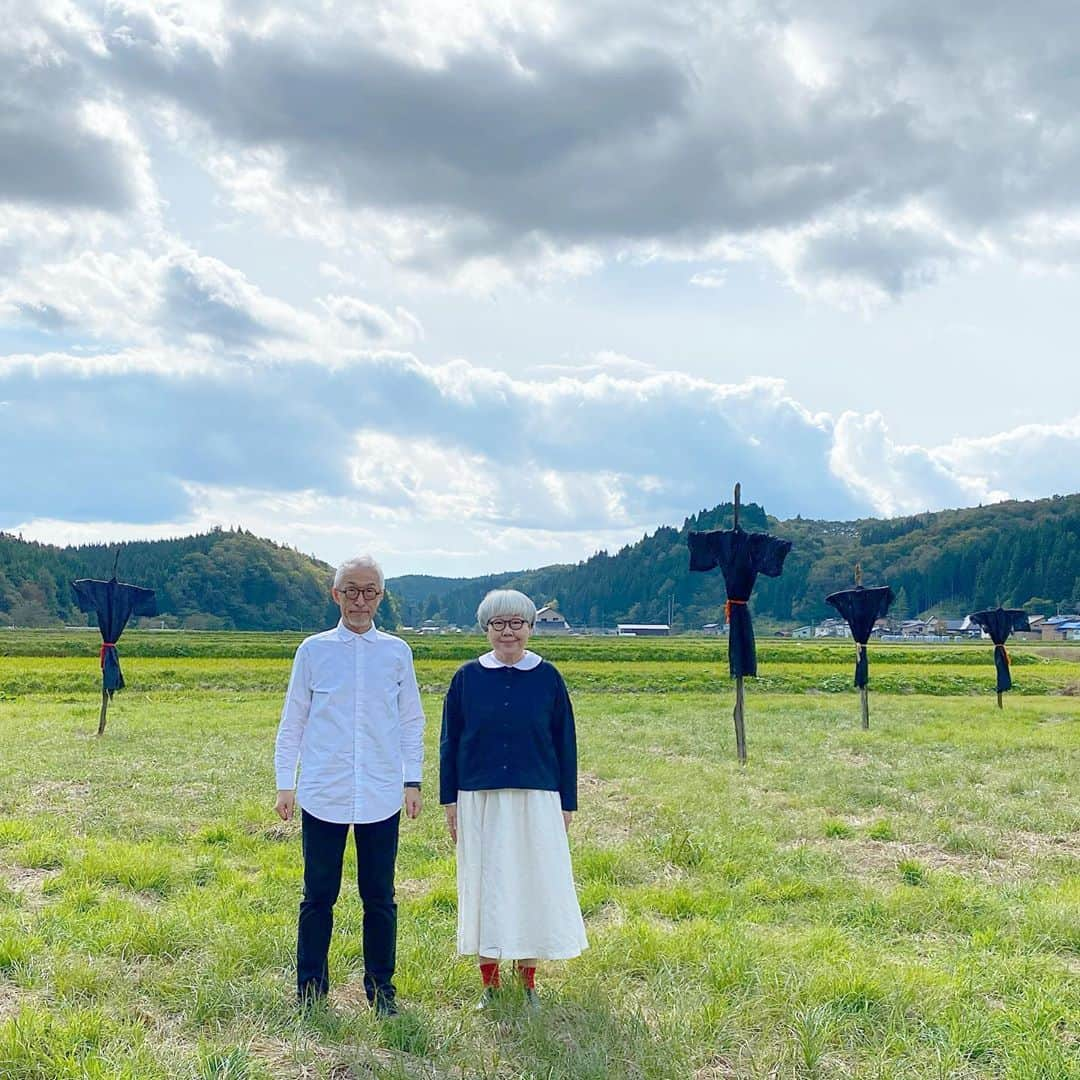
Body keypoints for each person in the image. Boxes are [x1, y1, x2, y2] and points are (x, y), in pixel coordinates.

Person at [274, 555, 424, 1017]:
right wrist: (286, 784)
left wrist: (412, 779)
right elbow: (293, 718)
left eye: (370, 591)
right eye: (351, 591)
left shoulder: (397, 652)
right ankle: (310, 990)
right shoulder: (313, 650)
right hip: (324, 792)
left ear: (381, 596)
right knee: (318, 896)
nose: (360, 600)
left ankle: (382, 991)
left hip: (380, 793)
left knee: (379, 897)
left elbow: (411, 720)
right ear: (335, 594)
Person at [440, 589, 587, 1010]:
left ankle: (527, 984)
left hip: (537, 795)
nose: (508, 632)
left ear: (531, 627)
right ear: (485, 629)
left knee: (530, 884)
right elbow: (449, 741)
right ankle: (489, 984)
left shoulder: (548, 677)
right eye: (498, 624)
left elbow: (566, 742)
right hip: (478, 796)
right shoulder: (467, 677)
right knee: (484, 884)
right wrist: (449, 799)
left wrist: (567, 803)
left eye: (517, 623)